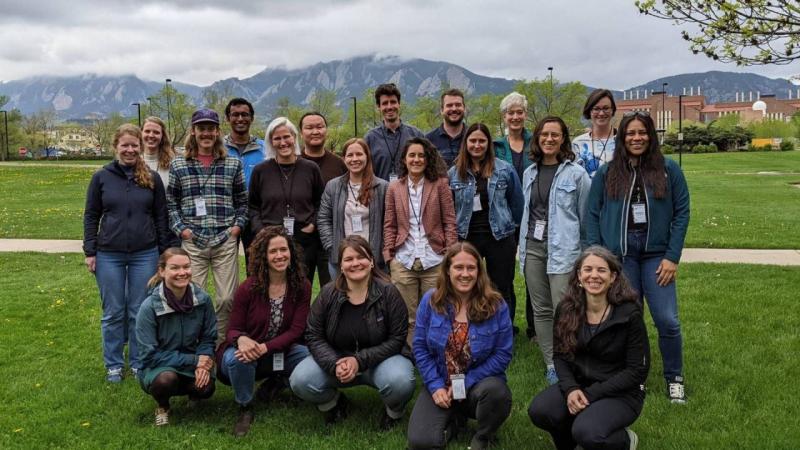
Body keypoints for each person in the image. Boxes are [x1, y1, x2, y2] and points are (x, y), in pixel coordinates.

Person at [586, 111, 690, 403]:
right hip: (620, 257)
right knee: (629, 319)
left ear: (651, 136)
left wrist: (672, 257)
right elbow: (592, 214)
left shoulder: (669, 170)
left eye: (642, 133)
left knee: (667, 319)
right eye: (630, 133)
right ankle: (635, 376)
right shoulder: (607, 173)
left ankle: (675, 377)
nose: (636, 138)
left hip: (657, 255)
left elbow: (682, 213)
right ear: (622, 138)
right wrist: (598, 256)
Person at [528, 246, 649, 450]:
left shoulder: (629, 313)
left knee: (587, 431)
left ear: (613, 277)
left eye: (601, 270)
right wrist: (571, 389)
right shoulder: (566, 309)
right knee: (541, 410)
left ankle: (625, 441)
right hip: (579, 384)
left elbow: (637, 370)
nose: (594, 275)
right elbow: (560, 356)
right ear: (579, 276)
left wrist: (592, 394)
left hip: (621, 392)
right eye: (588, 269)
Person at [289, 236, 416, 430]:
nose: (355, 263)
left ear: (372, 261)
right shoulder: (328, 294)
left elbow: (397, 338)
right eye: (348, 259)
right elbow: (313, 334)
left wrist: (359, 361)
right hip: (338, 359)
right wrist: (333, 363)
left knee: (400, 381)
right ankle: (335, 404)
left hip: (380, 361)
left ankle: (393, 412)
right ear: (340, 265)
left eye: (361, 257)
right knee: (300, 380)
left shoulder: (389, 292)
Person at [83, 123, 170, 383]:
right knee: (113, 311)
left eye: (134, 145)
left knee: (138, 310)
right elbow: (91, 215)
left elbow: (161, 217)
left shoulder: (151, 178)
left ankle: (137, 362)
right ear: (116, 147)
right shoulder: (101, 177)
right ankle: (113, 364)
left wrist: (163, 252)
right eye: (125, 145)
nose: (130, 150)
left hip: (145, 253)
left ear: (140, 148)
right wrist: (90, 251)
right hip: (109, 253)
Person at [407, 242, 513, 450]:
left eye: (471, 268)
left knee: (497, 394)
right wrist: (435, 385)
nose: (465, 274)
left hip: (477, 386)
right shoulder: (430, 301)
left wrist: (466, 382)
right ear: (447, 270)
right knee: (421, 443)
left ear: (479, 271)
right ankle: (454, 420)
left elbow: (503, 354)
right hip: (441, 382)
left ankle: (483, 436)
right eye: (458, 267)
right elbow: (419, 347)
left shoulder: (496, 305)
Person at [218, 226, 311, 437]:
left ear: (291, 252)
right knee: (238, 358)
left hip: (279, 351)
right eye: (273, 251)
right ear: (264, 256)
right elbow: (232, 329)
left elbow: (297, 331)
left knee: (310, 357)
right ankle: (245, 406)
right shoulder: (248, 288)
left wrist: (265, 347)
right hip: (249, 353)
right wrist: (241, 339)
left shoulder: (302, 286)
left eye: (283, 250)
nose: (280, 256)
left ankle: (276, 384)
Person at [518, 116, 591, 385]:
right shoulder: (529, 173)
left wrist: (585, 257)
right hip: (533, 247)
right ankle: (551, 363)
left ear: (563, 139)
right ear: (537, 138)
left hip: (564, 250)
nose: (549, 139)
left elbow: (585, 217)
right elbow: (526, 211)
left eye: (555, 135)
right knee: (541, 309)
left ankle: (571, 360)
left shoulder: (576, 174)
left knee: (566, 308)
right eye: (544, 135)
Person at [166, 108, 248, 343]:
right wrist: (182, 230)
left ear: (217, 132)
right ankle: (195, 344)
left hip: (224, 239)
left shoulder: (232, 164)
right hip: (193, 241)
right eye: (201, 128)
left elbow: (243, 201)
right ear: (193, 131)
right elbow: (171, 203)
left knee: (226, 298)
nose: (206, 133)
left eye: (210, 128)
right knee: (192, 297)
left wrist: (237, 228)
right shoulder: (179, 165)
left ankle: (221, 345)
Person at [448, 123, 523, 333]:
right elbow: (450, 207)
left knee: (501, 287)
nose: (477, 145)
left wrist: (513, 234)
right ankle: (471, 328)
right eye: (473, 140)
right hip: (467, 239)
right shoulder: (454, 173)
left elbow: (517, 205)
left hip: (499, 237)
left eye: (482, 141)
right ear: (466, 144)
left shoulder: (504, 169)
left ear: (488, 144)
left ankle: (503, 331)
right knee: (467, 285)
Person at [384, 137, 458, 345]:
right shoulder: (394, 188)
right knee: (408, 315)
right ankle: (413, 354)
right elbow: (389, 224)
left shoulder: (440, 184)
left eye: (421, 155)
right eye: (412, 155)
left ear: (428, 159)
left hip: (434, 258)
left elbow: (450, 221)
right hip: (403, 259)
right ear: (404, 159)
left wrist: (449, 254)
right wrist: (389, 257)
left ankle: (437, 351)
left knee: (437, 311)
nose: (416, 159)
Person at [136, 248, 217, 426]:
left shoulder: (203, 300)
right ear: (162, 271)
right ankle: (163, 406)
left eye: (186, 267)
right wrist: (195, 360)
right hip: (158, 367)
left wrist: (203, 363)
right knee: (166, 380)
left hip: (192, 364)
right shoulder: (149, 307)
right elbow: (148, 355)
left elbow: (208, 337)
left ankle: (194, 396)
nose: (182, 273)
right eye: (174, 268)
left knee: (206, 387)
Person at [248, 117, 325, 285]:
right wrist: (260, 231)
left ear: (294, 137)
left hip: (303, 239)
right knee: (271, 287)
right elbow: (253, 206)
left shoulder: (311, 168)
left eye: (286, 137)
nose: (283, 142)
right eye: (277, 138)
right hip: (270, 239)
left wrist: (312, 224)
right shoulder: (261, 171)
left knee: (301, 288)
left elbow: (321, 203)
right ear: (270, 142)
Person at [493, 91, 537, 339]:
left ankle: (535, 326)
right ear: (504, 116)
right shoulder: (497, 147)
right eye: (511, 112)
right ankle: (505, 326)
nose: (515, 116)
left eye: (519, 111)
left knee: (533, 272)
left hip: (534, 213)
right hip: (505, 217)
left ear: (525, 115)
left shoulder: (536, 142)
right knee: (504, 274)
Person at [318, 138, 388, 278]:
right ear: (344, 159)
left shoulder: (383, 187)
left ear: (367, 157)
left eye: (359, 154)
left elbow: (390, 223)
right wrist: (333, 247)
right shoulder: (333, 186)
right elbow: (323, 219)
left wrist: (383, 250)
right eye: (350, 155)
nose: (354, 159)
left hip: (374, 258)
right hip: (342, 259)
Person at [300, 111, 348, 287]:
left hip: (332, 239)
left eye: (319, 127)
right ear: (301, 132)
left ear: (326, 130)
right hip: (302, 240)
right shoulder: (294, 163)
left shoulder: (339, 164)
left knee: (333, 290)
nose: (315, 131)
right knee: (299, 290)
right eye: (309, 127)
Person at [223, 97, 266, 266]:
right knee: (225, 268)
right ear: (228, 118)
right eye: (235, 115)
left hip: (255, 216)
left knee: (256, 265)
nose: (240, 119)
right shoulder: (218, 148)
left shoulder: (264, 149)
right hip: (226, 217)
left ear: (252, 118)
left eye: (244, 114)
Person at [364, 83, 425, 181]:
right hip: (380, 195)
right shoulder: (370, 138)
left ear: (399, 104)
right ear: (378, 107)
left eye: (393, 102)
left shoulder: (416, 135)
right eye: (385, 103)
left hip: (410, 195)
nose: (389, 107)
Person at [572, 89, 618, 178]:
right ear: (589, 111)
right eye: (596, 109)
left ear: (612, 110)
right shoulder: (577, 144)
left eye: (606, 108)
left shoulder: (623, 140)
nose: (601, 113)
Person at [426, 88, 466, 168]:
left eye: (458, 105)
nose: (454, 109)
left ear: (464, 108)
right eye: (449, 105)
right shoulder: (428, 140)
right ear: (441, 110)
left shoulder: (473, 138)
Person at [141, 116, 175, 188]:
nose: (151, 135)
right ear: (141, 133)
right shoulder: (133, 161)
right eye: (147, 131)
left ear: (162, 136)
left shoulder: (173, 163)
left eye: (156, 132)